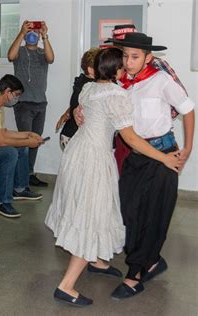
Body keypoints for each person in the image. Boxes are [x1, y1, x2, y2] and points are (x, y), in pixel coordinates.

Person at [45, 47, 182, 306]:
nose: (128, 66)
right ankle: (66, 286)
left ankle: (96, 262)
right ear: (117, 69)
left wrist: (76, 113)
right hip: (94, 159)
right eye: (124, 63)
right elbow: (130, 137)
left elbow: (84, 112)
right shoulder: (117, 94)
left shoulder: (89, 87)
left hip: (77, 152)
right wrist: (164, 157)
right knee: (92, 214)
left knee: (90, 209)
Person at [103, 33, 194, 300]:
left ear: (148, 57)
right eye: (124, 56)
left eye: (134, 57)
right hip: (137, 154)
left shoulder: (161, 81)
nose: (128, 62)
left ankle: (135, 275)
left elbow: (188, 110)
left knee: (153, 215)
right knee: (128, 210)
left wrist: (187, 149)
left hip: (164, 153)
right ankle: (151, 260)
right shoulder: (122, 84)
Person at [102, 24, 187, 173]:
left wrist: (157, 120)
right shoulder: (116, 67)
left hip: (151, 140)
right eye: (121, 48)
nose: (128, 59)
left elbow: (181, 100)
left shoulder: (157, 66)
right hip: (124, 138)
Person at [0, 74, 44, 218]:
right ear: (7, 91)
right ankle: (3, 203)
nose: (16, 99)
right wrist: (28, 141)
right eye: (16, 94)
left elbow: (3, 132)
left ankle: (19, 188)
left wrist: (28, 134)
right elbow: (0, 141)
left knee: (21, 148)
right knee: (10, 153)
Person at [7, 20, 54, 187]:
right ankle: (21, 177)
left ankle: (28, 174)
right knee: (25, 140)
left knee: (36, 141)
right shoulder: (19, 52)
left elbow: (51, 58)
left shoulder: (42, 53)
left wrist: (45, 35)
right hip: (24, 104)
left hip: (41, 103)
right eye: (30, 32)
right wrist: (21, 33)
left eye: (34, 32)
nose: (32, 35)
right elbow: (10, 56)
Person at [56, 47, 100, 150]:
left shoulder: (87, 82)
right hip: (73, 136)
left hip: (75, 135)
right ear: (91, 70)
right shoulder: (86, 86)